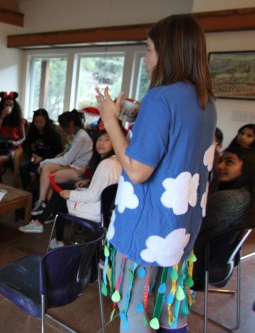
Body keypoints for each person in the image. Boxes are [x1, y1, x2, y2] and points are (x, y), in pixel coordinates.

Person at [95, 14, 216, 332]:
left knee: (136, 315)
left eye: (148, 49)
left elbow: (136, 171)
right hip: (178, 231)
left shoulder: (161, 98)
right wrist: (136, 115)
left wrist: (110, 120)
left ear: (167, 52)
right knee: (168, 312)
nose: (147, 58)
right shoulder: (204, 100)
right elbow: (177, 141)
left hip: (147, 231)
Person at [20, 130, 121, 242]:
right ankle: (55, 238)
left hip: (94, 209)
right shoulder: (115, 161)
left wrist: (70, 194)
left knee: (61, 196)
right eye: (99, 139)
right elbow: (104, 185)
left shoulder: (105, 164)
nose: (101, 143)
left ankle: (41, 224)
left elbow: (93, 196)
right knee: (61, 193)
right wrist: (88, 181)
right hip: (104, 208)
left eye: (107, 139)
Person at [192, 147, 255, 286]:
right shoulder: (247, 196)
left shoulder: (228, 199)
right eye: (220, 160)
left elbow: (193, 228)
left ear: (247, 167)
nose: (220, 166)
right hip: (220, 263)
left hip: (198, 264)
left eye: (229, 162)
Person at [31, 109, 93, 217]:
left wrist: (43, 161)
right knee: (47, 169)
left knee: (48, 175)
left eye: (63, 127)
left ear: (70, 125)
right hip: (73, 166)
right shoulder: (76, 134)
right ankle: (43, 204)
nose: (63, 130)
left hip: (82, 171)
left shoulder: (81, 136)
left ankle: (46, 206)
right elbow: (67, 155)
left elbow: (66, 160)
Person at [0, 91, 26, 178]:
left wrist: (16, 143)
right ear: (2, 106)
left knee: (0, 160)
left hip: (11, 146)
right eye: (6, 105)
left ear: (14, 106)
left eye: (11, 105)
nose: (9, 107)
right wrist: (2, 116)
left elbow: (23, 137)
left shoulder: (19, 119)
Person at [19, 108, 63, 190]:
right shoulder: (33, 130)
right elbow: (25, 144)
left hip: (48, 160)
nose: (38, 124)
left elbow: (58, 152)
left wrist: (42, 158)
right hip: (35, 158)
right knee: (23, 167)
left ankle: (35, 193)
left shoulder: (53, 134)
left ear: (46, 121)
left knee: (38, 172)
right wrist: (32, 154)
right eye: (36, 122)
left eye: (41, 122)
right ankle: (27, 189)